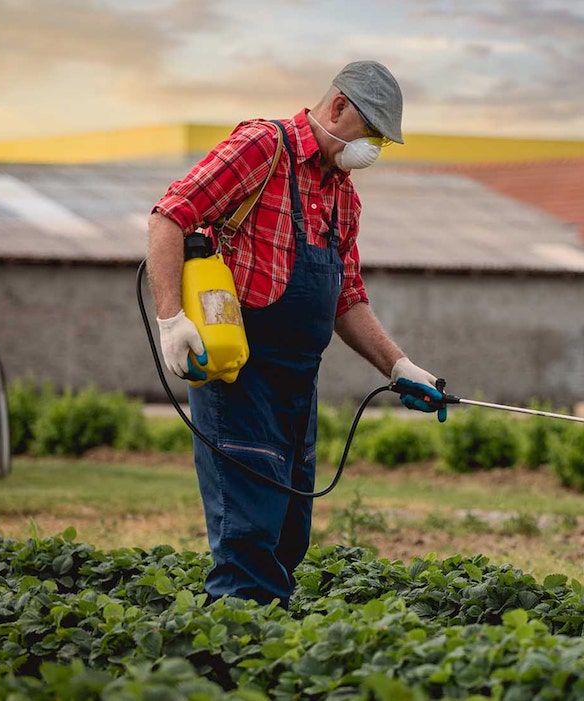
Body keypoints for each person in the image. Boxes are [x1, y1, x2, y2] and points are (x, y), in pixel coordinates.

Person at [146, 60, 446, 607]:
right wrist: (172, 318)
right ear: (337, 108)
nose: (374, 149)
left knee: (287, 534)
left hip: (297, 383)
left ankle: (270, 655)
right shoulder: (263, 148)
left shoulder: (342, 194)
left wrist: (399, 367)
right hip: (239, 375)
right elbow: (170, 216)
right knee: (249, 537)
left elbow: (347, 296)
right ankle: (227, 663)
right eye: (372, 132)